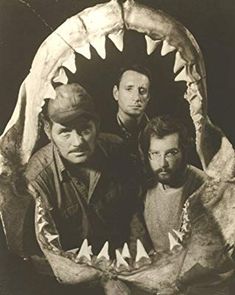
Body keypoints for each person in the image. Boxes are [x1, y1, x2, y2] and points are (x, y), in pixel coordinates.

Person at [25, 83, 139, 294]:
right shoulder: (36, 179)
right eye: (65, 132)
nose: (77, 142)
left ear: (97, 124)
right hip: (71, 283)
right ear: (48, 130)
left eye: (85, 130)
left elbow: (135, 212)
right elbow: (40, 256)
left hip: (124, 265)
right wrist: (103, 280)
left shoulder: (117, 149)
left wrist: (135, 268)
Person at [131, 115, 231, 295]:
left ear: (184, 151)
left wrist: (177, 284)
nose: (162, 164)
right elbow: (139, 244)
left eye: (171, 153)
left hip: (206, 286)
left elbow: (215, 258)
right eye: (155, 154)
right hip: (165, 281)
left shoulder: (207, 189)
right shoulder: (145, 190)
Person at [104, 64, 151, 156]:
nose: (137, 97)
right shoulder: (101, 132)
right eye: (129, 89)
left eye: (142, 91)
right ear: (116, 93)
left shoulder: (158, 131)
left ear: (148, 97)